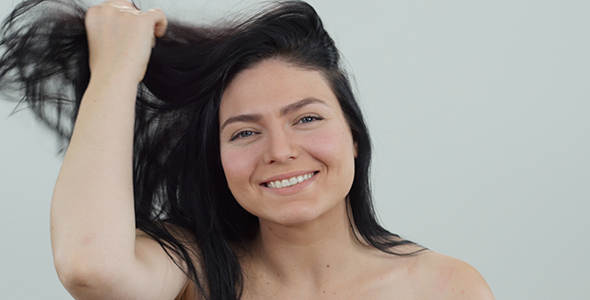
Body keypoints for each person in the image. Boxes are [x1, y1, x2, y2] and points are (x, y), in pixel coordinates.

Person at [0, 0, 495, 299]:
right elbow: (90, 267)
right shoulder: (195, 268)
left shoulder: (446, 287)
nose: (280, 151)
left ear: (354, 137)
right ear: (216, 157)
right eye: (244, 132)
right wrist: (116, 68)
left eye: (306, 119)